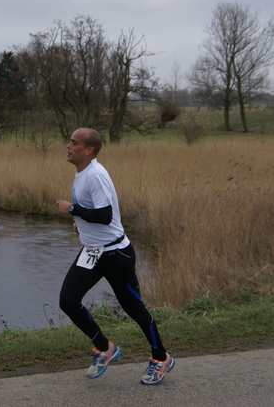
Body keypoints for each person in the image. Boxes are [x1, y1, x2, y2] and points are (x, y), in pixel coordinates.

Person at [56, 128, 174, 385]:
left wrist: (72, 209)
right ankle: (104, 348)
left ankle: (161, 358)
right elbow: (96, 213)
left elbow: (106, 215)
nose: (68, 146)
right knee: (68, 300)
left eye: (74, 143)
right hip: (92, 251)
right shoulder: (83, 172)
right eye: (69, 141)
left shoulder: (95, 175)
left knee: (134, 308)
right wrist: (80, 221)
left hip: (115, 254)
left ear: (88, 150)